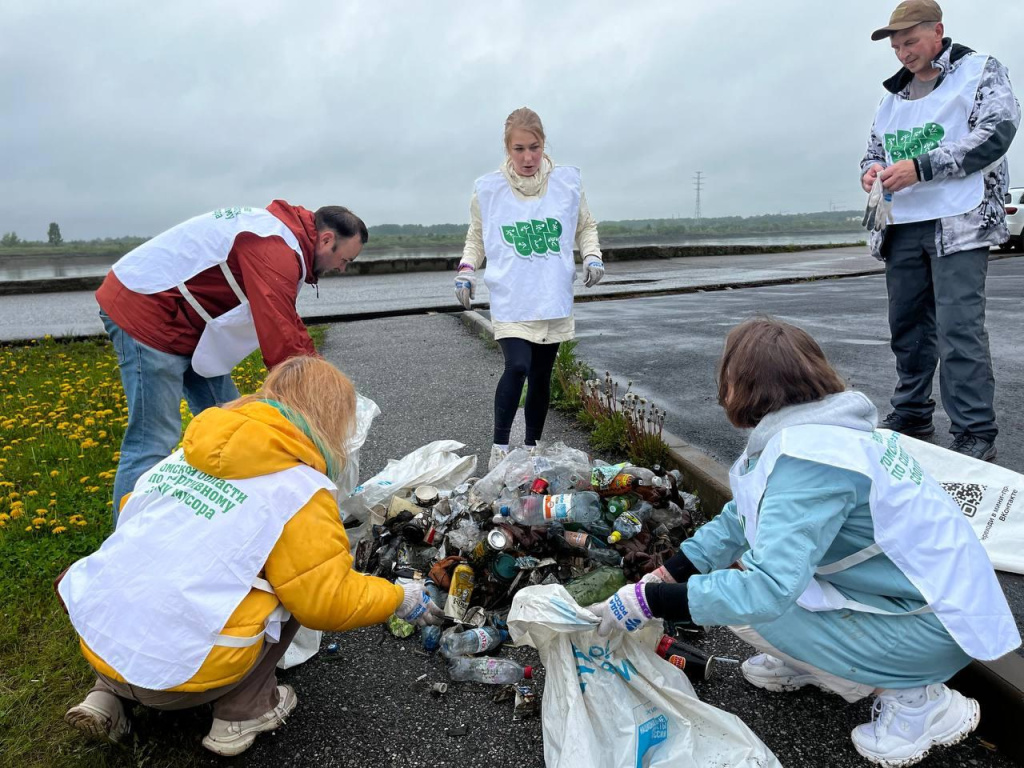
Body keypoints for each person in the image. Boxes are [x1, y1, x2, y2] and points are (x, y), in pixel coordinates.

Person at [591, 318, 1020, 768]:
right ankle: (815, 663)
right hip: (919, 600)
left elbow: (765, 590)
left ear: (741, 386)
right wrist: (668, 574)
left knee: (747, 607)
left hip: (933, 627)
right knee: (737, 584)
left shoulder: (810, 462)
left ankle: (919, 702)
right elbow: (740, 519)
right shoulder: (824, 431)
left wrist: (648, 601)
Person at [58, 356, 443, 756]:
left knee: (156, 562)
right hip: (185, 678)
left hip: (98, 640)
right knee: (298, 590)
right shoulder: (299, 489)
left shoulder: (182, 456)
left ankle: (106, 696)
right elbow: (327, 602)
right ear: (331, 420)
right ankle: (242, 711)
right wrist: (401, 598)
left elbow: (135, 524)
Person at [96, 201, 368, 520]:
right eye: (344, 259)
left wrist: (321, 379)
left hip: (191, 326)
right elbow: (280, 337)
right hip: (146, 310)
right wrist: (321, 396)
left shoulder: (282, 240)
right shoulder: (273, 247)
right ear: (325, 240)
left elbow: (288, 324)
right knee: (152, 439)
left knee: (236, 426)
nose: (342, 268)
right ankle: (127, 549)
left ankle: (229, 518)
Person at [859, 0, 1019, 462]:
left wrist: (922, 167)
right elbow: (874, 148)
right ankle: (911, 412)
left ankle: (974, 431)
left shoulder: (979, 71)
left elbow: (998, 131)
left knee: (959, 328)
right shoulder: (893, 95)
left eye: (910, 42)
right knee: (907, 326)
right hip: (902, 225)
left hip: (960, 223)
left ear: (938, 32)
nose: (903, 53)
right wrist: (871, 172)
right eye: (896, 46)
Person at [453, 107, 604, 469]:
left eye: (534, 147)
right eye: (519, 149)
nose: (528, 157)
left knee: (541, 374)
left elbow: (585, 225)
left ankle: (534, 447)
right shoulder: (490, 191)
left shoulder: (566, 184)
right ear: (508, 149)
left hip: (550, 294)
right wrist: (466, 268)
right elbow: (478, 235)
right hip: (512, 295)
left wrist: (593, 255)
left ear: (543, 144)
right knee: (518, 366)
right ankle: (500, 449)